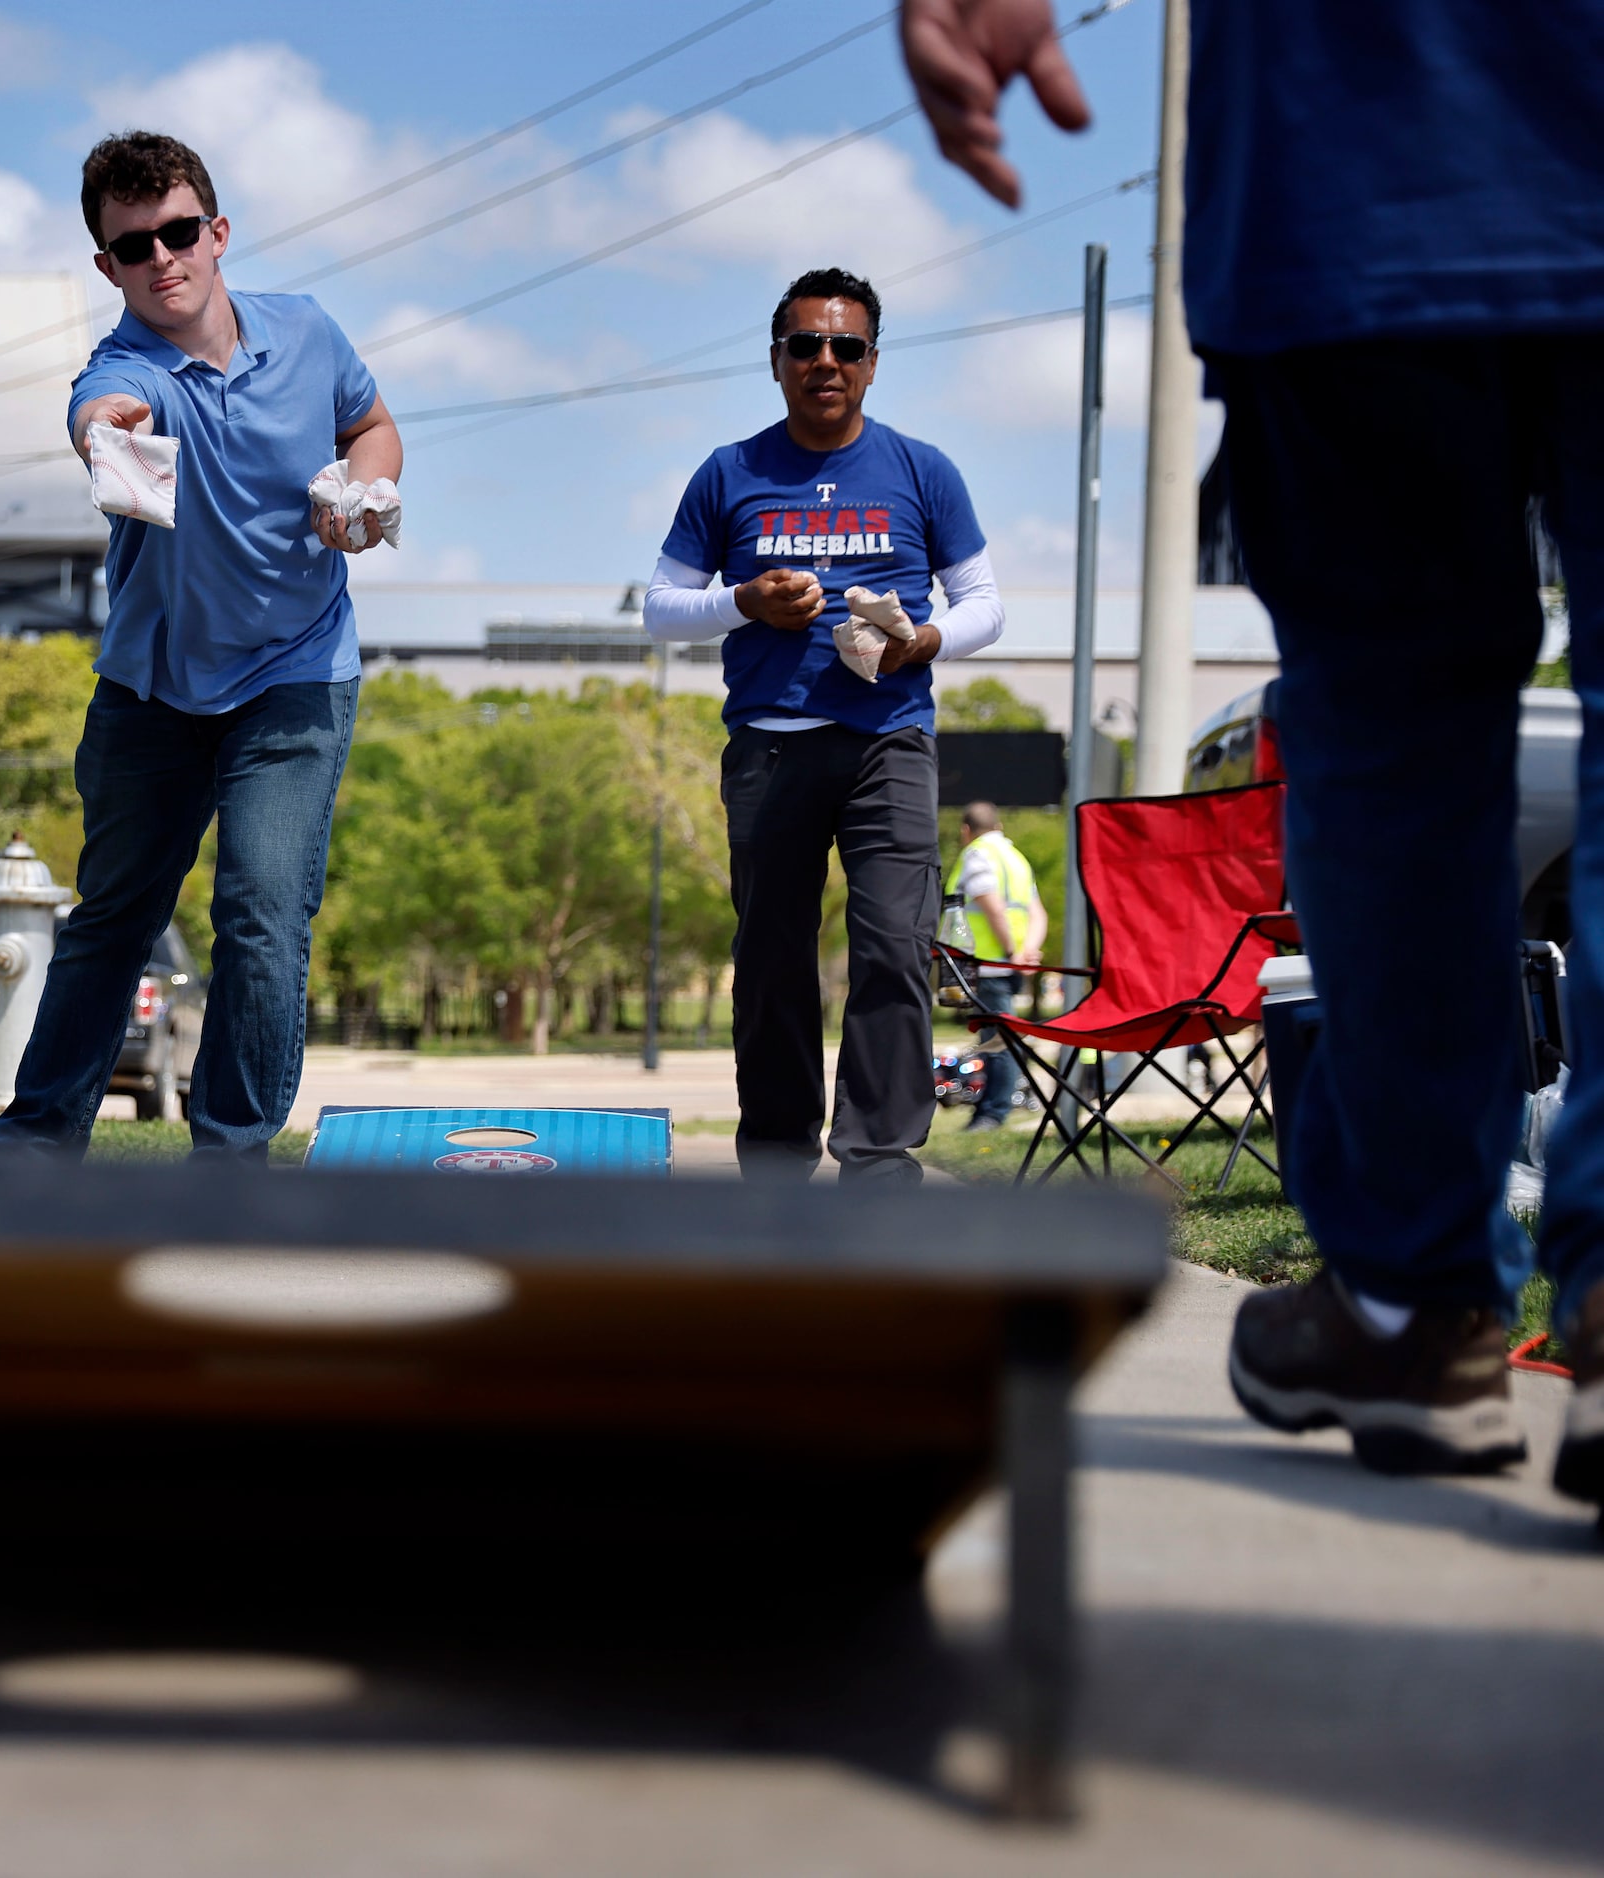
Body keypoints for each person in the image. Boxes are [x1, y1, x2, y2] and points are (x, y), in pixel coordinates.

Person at [900, 0, 1603, 1496]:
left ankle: (1416, 1304)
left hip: (1360, 151)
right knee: (1396, 733)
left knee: (1397, 732)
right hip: (1384, 144)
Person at [0, 131, 402, 1163]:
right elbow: (102, 412)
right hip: (153, 691)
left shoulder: (305, 333)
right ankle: (32, 1154)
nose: (161, 259)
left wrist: (364, 488)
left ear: (217, 234)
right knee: (115, 920)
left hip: (298, 673)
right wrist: (104, 431)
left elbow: (373, 424)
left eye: (179, 233)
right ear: (107, 267)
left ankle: (229, 1166)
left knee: (262, 917)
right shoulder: (128, 371)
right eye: (134, 247)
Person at [642, 266, 1006, 1184]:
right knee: (769, 959)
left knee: (891, 945)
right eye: (804, 345)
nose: (824, 361)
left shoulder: (922, 470)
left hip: (889, 741)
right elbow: (658, 607)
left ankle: (879, 1161)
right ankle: (774, 1162)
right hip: (768, 747)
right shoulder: (728, 473)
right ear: (776, 361)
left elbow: (984, 604)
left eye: (845, 346)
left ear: (872, 363)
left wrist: (924, 639)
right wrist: (743, 602)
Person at [947, 799, 1044, 1133]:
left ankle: (992, 1114)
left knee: (997, 1044)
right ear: (999, 827)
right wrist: (1027, 949)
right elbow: (1037, 912)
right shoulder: (1016, 858)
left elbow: (990, 904)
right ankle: (990, 1110)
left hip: (988, 965)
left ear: (965, 830)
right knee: (998, 1040)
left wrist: (1010, 949)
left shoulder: (977, 854)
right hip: (1010, 965)